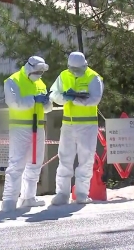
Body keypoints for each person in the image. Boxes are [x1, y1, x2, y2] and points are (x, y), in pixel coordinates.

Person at [49, 51, 104, 205]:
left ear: (85, 65)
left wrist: (76, 99)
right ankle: (62, 193)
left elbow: (95, 99)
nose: (75, 72)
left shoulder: (93, 77)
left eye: (78, 69)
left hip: (87, 125)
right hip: (68, 124)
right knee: (64, 158)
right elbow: (53, 94)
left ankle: (81, 193)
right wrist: (64, 98)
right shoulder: (64, 75)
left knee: (85, 159)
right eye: (72, 69)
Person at [1, 56, 53, 212]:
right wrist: (33, 99)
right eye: (37, 71)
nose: (39, 75)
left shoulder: (40, 83)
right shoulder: (12, 81)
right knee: (16, 164)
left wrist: (46, 102)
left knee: (35, 163)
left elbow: (48, 108)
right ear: (29, 68)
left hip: (38, 127)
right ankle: (9, 200)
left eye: (41, 72)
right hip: (20, 129)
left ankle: (28, 197)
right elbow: (14, 103)